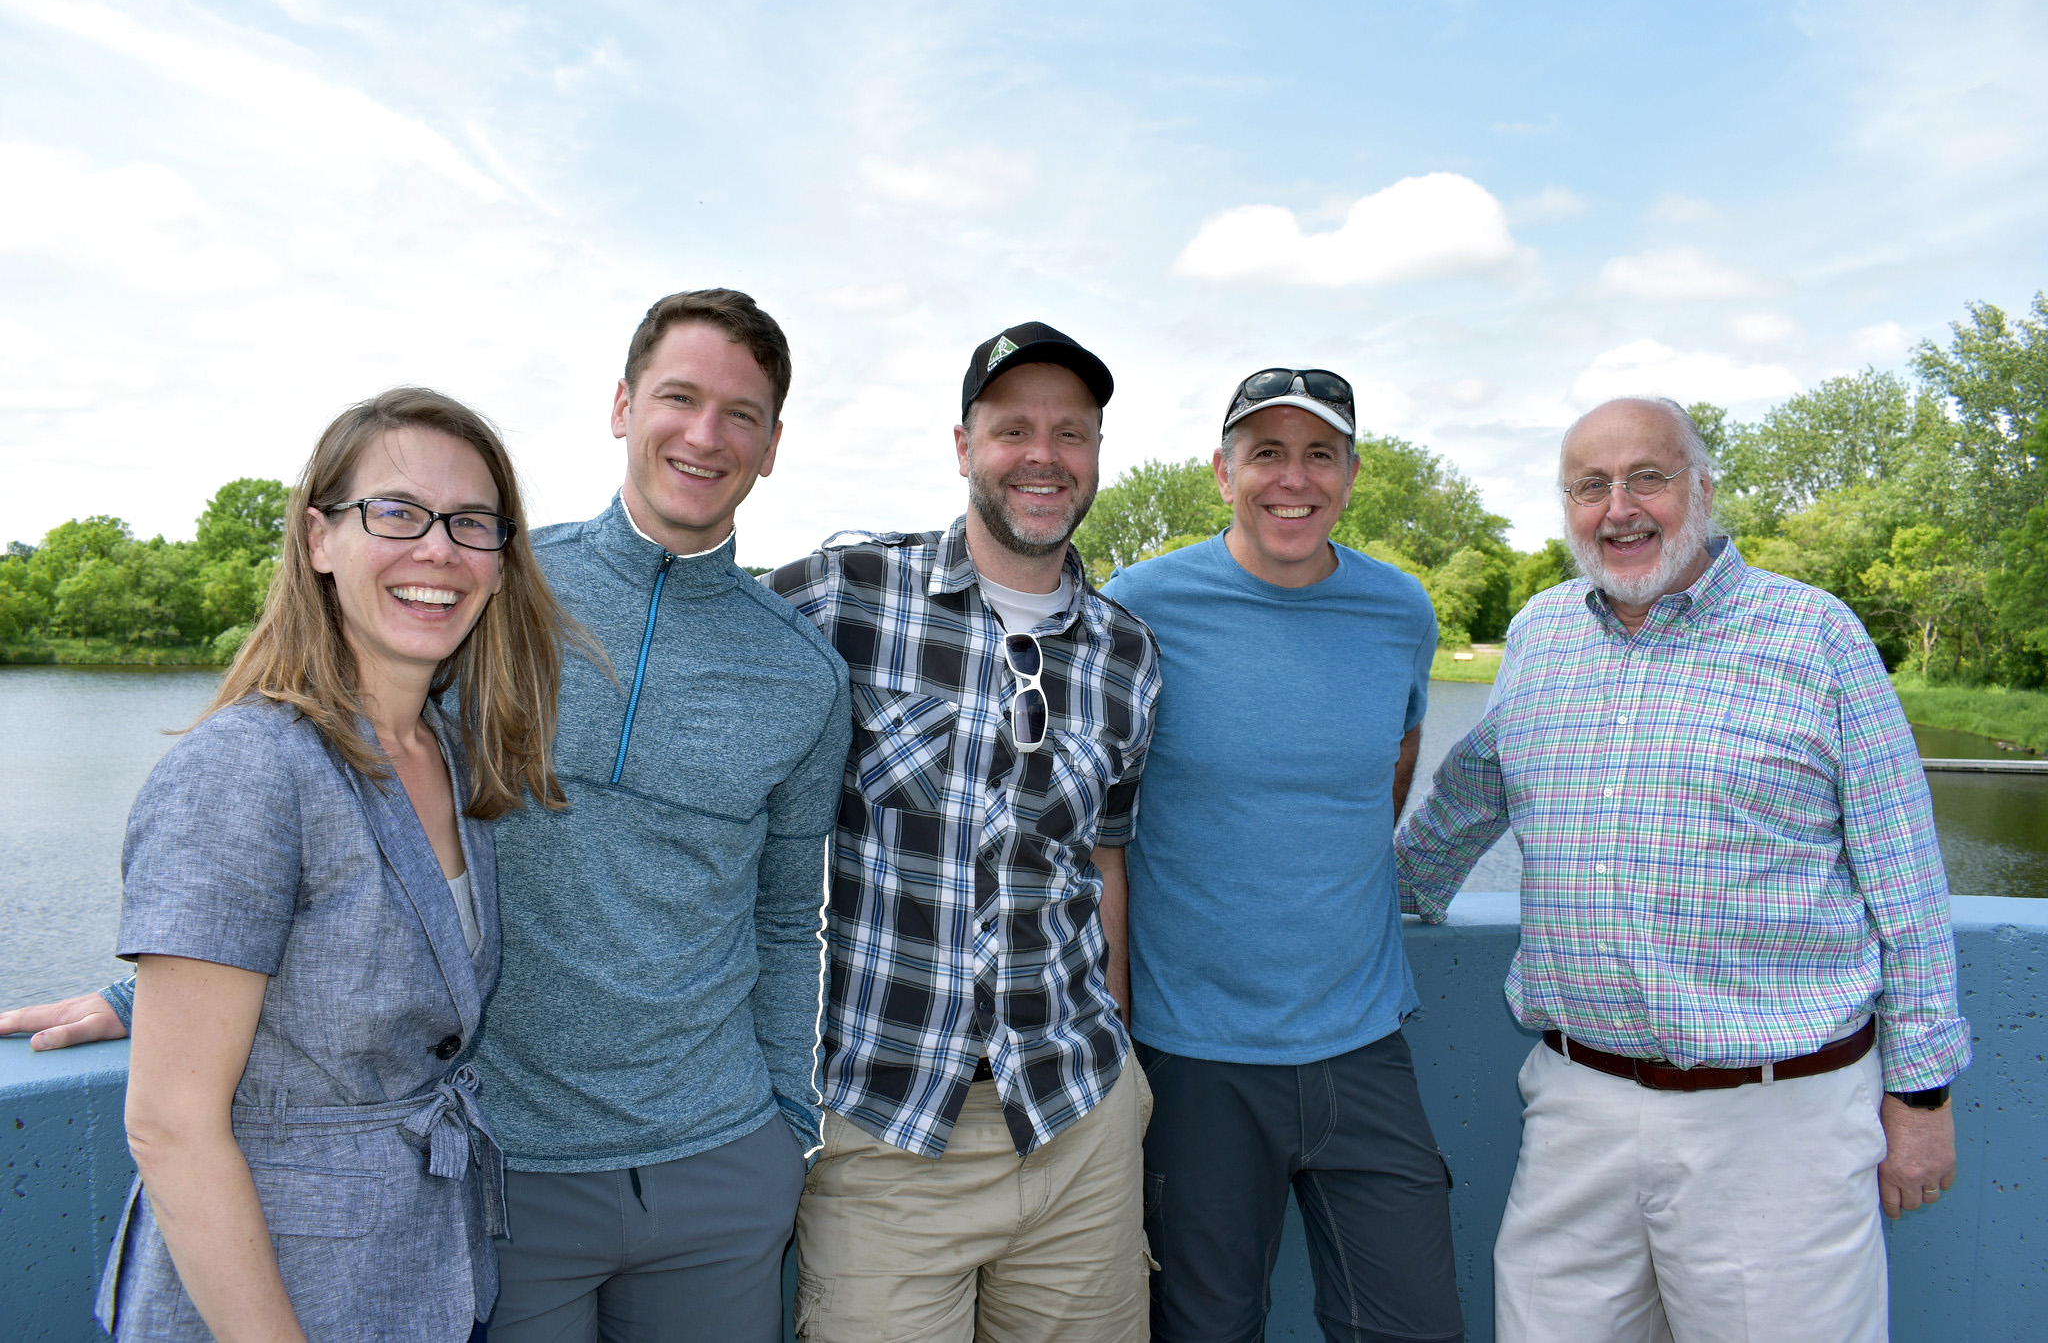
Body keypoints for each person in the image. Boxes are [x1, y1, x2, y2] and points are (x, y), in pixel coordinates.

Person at [9, 289, 853, 1343]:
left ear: (773, 446)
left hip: (721, 1167)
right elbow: (322, 796)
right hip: (505, 1165)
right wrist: (146, 993)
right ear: (622, 406)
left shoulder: (800, 673)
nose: (704, 434)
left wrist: (785, 1128)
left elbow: (784, 921)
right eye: (678, 397)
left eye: (742, 413)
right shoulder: (495, 589)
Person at [1394, 396, 1971, 1343]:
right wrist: (1330, 905)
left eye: (1646, 478)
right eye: (1590, 486)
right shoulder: (1540, 638)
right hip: (1579, 1108)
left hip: (1779, 1122)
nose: (1618, 507)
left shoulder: (1816, 636)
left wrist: (1921, 1099)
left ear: (1700, 489)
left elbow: (1906, 885)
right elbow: (1458, 814)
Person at [95, 387, 573, 1340]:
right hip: (277, 1304)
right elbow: (170, 1123)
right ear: (318, 539)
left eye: (471, 523)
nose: (437, 549)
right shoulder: (246, 765)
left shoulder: (449, 751)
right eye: (395, 512)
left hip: (429, 1279)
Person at [765, 322, 1162, 1343]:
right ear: (962, 446)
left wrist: (1116, 1046)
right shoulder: (844, 597)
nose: (1043, 457)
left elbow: (1102, 857)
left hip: (1078, 1125)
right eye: (1012, 430)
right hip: (889, 1132)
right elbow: (695, 663)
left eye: (1070, 434)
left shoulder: (1127, 654)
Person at [1098, 369, 1464, 1343]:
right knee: (1204, 1330)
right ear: (1222, 472)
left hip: (1362, 1041)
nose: (1289, 478)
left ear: (1349, 474)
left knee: (1415, 1324)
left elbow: (1386, 775)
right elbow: (1099, 833)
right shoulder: (1137, 606)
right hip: (1192, 1055)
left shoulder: (1399, 612)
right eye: (1264, 452)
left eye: (1317, 453)